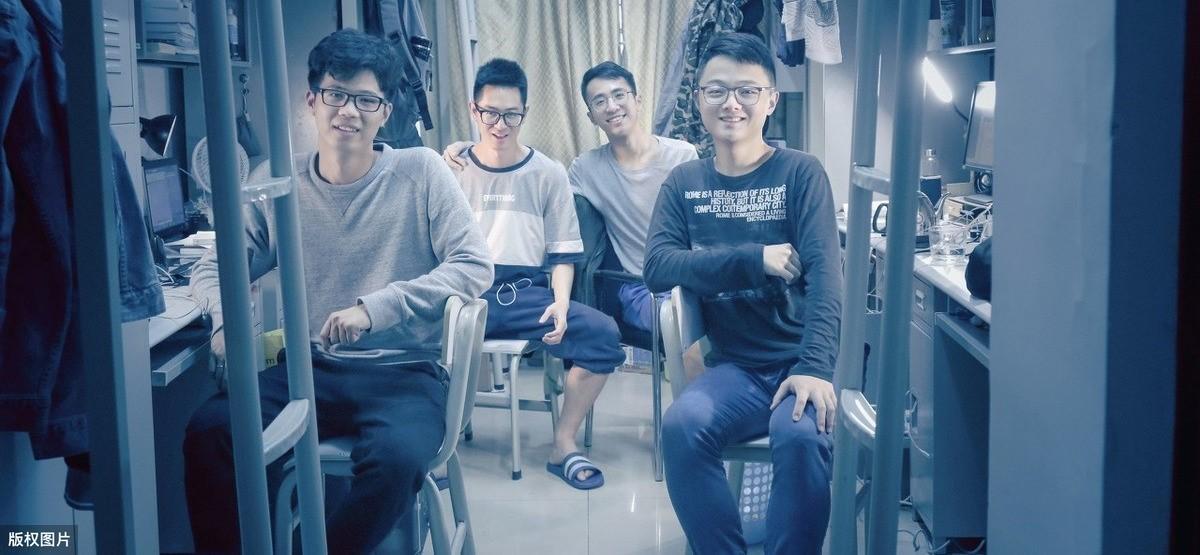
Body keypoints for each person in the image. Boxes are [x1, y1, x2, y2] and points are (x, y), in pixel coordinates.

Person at [184, 29, 493, 553]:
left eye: (366, 100)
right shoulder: (279, 182)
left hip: (404, 372)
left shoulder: (421, 172)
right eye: (336, 94)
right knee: (209, 430)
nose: (349, 110)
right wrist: (224, 321)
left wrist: (377, 309)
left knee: (397, 458)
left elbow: (474, 265)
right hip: (309, 368)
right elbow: (217, 266)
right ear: (312, 100)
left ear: (385, 112)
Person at [642, 32, 842, 554]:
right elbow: (658, 267)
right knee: (682, 427)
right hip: (736, 370)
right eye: (717, 90)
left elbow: (826, 278)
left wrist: (815, 367)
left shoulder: (800, 173)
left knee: (800, 437)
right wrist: (754, 260)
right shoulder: (684, 183)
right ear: (698, 100)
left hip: (799, 358)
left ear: (770, 100)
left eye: (747, 91)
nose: (732, 103)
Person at [446, 60, 705, 374]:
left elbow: (704, 229)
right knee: (684, 334)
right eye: (599, 101)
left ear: (637, 100)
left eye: (619, 95)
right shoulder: (584, 169)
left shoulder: (683, 156)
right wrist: (463, 150)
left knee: (726, 322)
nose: (612, 107)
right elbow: (517, 173)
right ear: (591, 116)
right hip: (641, 286)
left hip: (692, 277)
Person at [450, 58, 624, 490]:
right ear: (474, 110)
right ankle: (434, 448)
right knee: (409, 334)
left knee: (603, 334)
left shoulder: (547, 173)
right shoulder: (451, 169)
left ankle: (563, 443)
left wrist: (561, 302)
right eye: (490, 113)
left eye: (511, 115)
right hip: (462, 293)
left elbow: (563, 254)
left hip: (524, 294)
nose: (500, 125)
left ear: (524, 113)